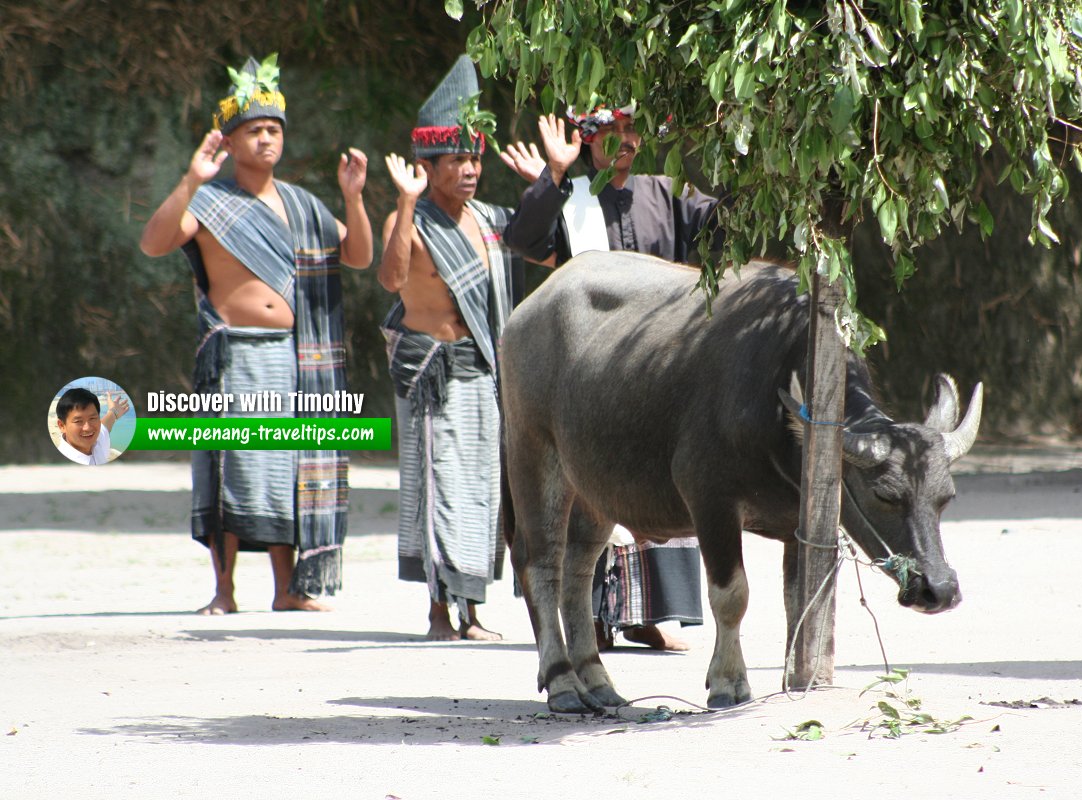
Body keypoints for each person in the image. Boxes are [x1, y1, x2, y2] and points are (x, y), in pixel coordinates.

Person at [139, 55, 372, 615]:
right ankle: (224, 590)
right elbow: (154, 242)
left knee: (288, 470)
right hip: (236, 356)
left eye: (273, 130)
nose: (266, 139)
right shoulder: (212, 203)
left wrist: (354, 198)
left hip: (296, 359)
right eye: (254, 130)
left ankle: (289, 589)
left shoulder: (304, 206)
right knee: (232, 467)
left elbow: (360, 257)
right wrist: (193, 179)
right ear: (231, 140)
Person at [500, 102, 725, 652]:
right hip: (591, 365)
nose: (621, 140)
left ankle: (646, 616)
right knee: (587, 488)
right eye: (608, 131)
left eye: (630, 129)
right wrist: (554, 174)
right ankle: (590, 623)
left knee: (661, 480)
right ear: (586, 139)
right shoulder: (571, 197)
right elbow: (523, 240)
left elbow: (727, 226)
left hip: (657, 358)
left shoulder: (669, 193)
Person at [378, 56, 524, 641]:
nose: (468, 170)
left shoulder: (488, 220)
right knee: (437, 485)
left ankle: (472, 611)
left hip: (484, 373)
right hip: (432, 374)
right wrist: (408, 201)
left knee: (482, 488)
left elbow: (542, 244)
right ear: (427, 166)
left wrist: (552, 180)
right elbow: (391, 278)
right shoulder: (412, 218)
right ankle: (440, 613)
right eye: (456, 160)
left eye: (473, 158)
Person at [54, 388, 129, 466]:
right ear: (62, 426)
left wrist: (114, 411)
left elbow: (105, 425)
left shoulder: (98, 440)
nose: (88, 428)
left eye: (92, 418)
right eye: (78, 421)